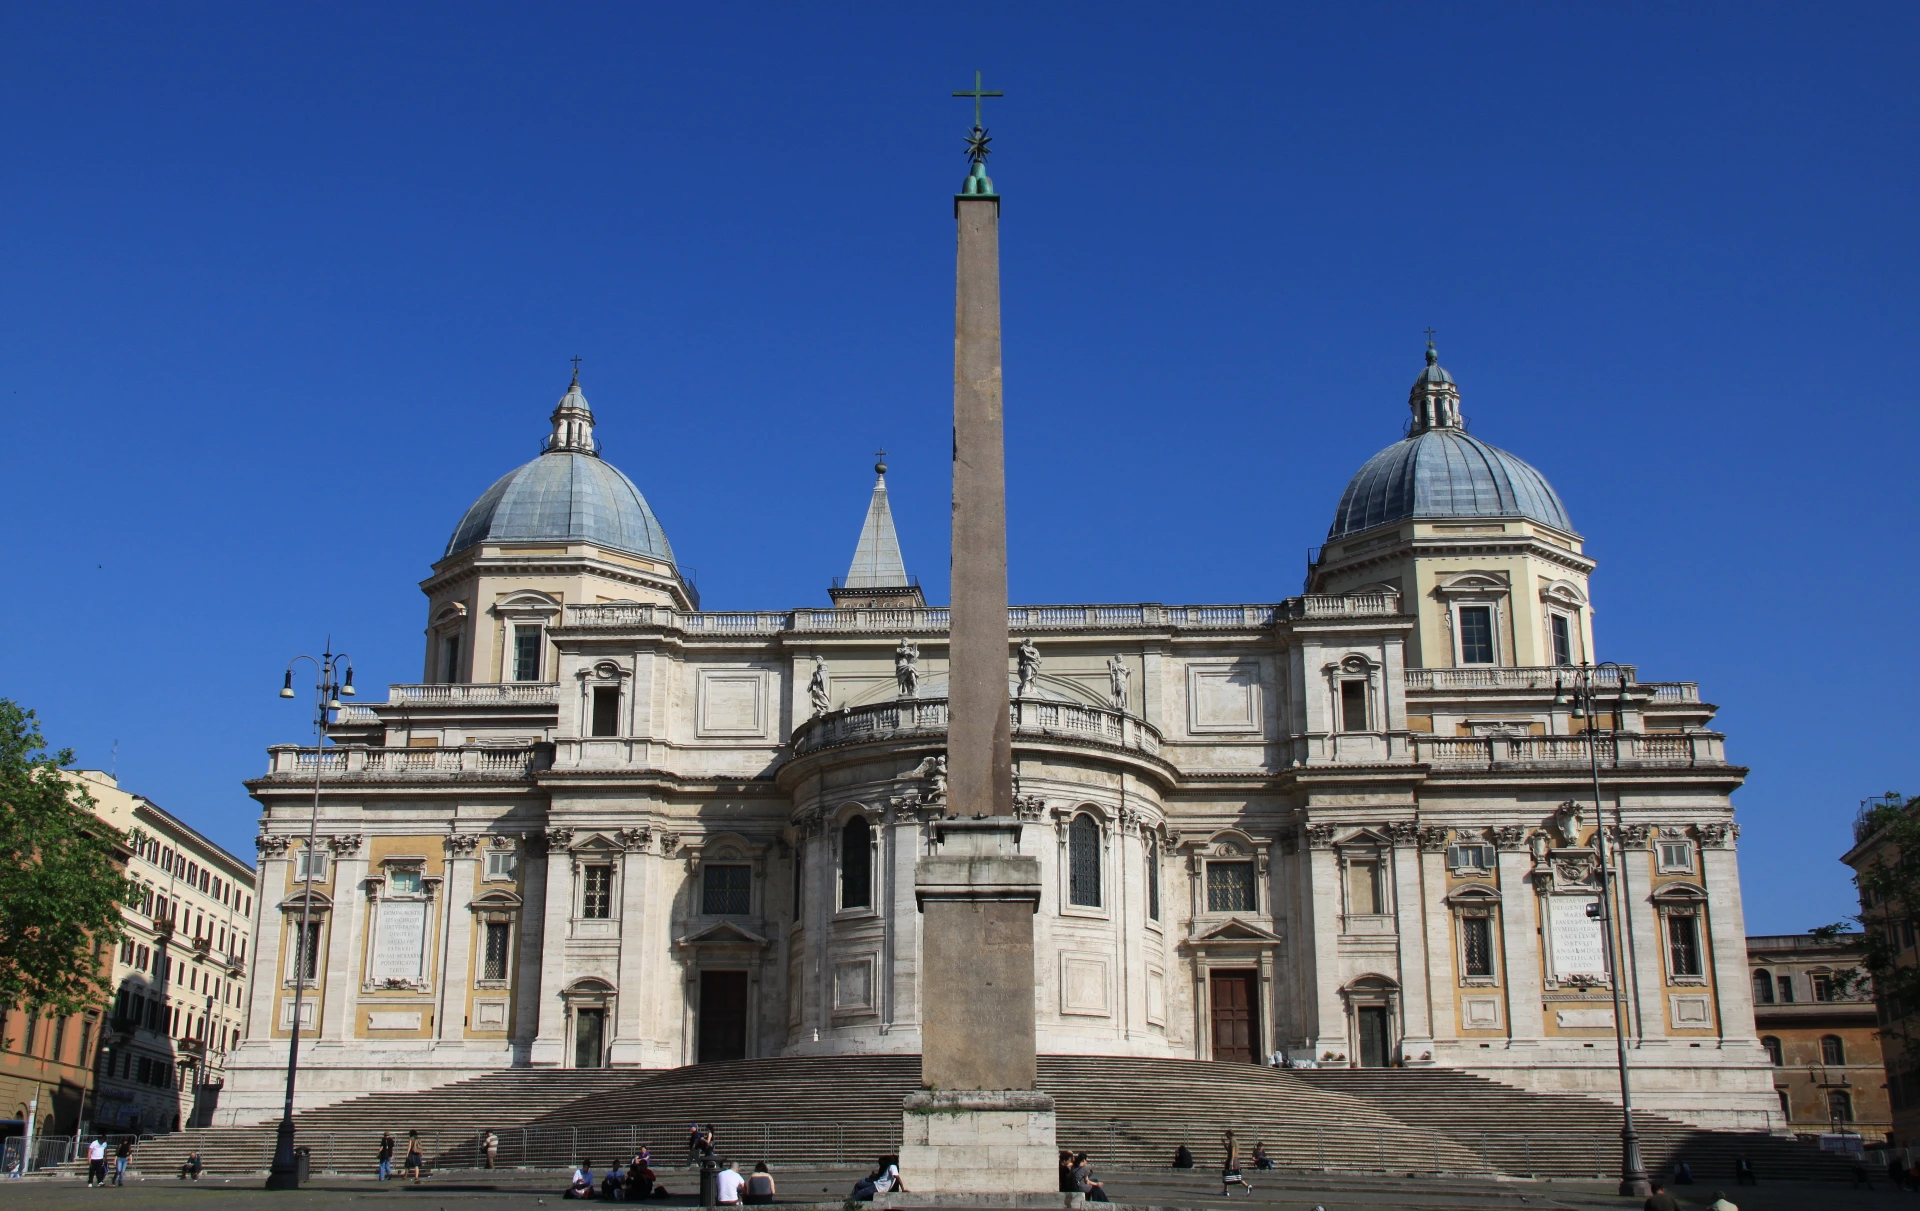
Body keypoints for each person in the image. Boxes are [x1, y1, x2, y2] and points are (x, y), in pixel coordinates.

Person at [1220, 1131, 1252, 1196]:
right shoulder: (1235, 1141)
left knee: (1233, 1175)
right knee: (1228, 1175)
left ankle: (1247, 1186)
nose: (1226, 1137)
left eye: (1226, 1135)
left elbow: (1232, 1151)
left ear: (1229, 1134)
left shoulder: (1232, 1141)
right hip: (1235, 1159)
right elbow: (1229, 1151)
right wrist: (1224, 1143)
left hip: (1232, 1159)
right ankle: (1225, 1190)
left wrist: (1231, 1161)